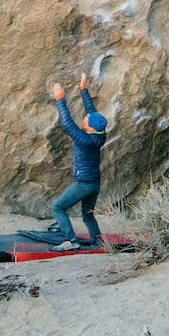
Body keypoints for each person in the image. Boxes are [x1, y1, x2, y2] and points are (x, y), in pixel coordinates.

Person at [47, 75, 106, 246]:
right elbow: (91, 111)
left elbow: (67, 123)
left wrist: (60, 99)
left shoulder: (84, 140)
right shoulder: (99, 134)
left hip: (84, 184)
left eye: (86, 119)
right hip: (94, 183)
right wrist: (83, 90)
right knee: (87, 215)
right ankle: (98, 242)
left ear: (88, 127)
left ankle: (70, 240)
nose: (85, 117)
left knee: (58, 208)